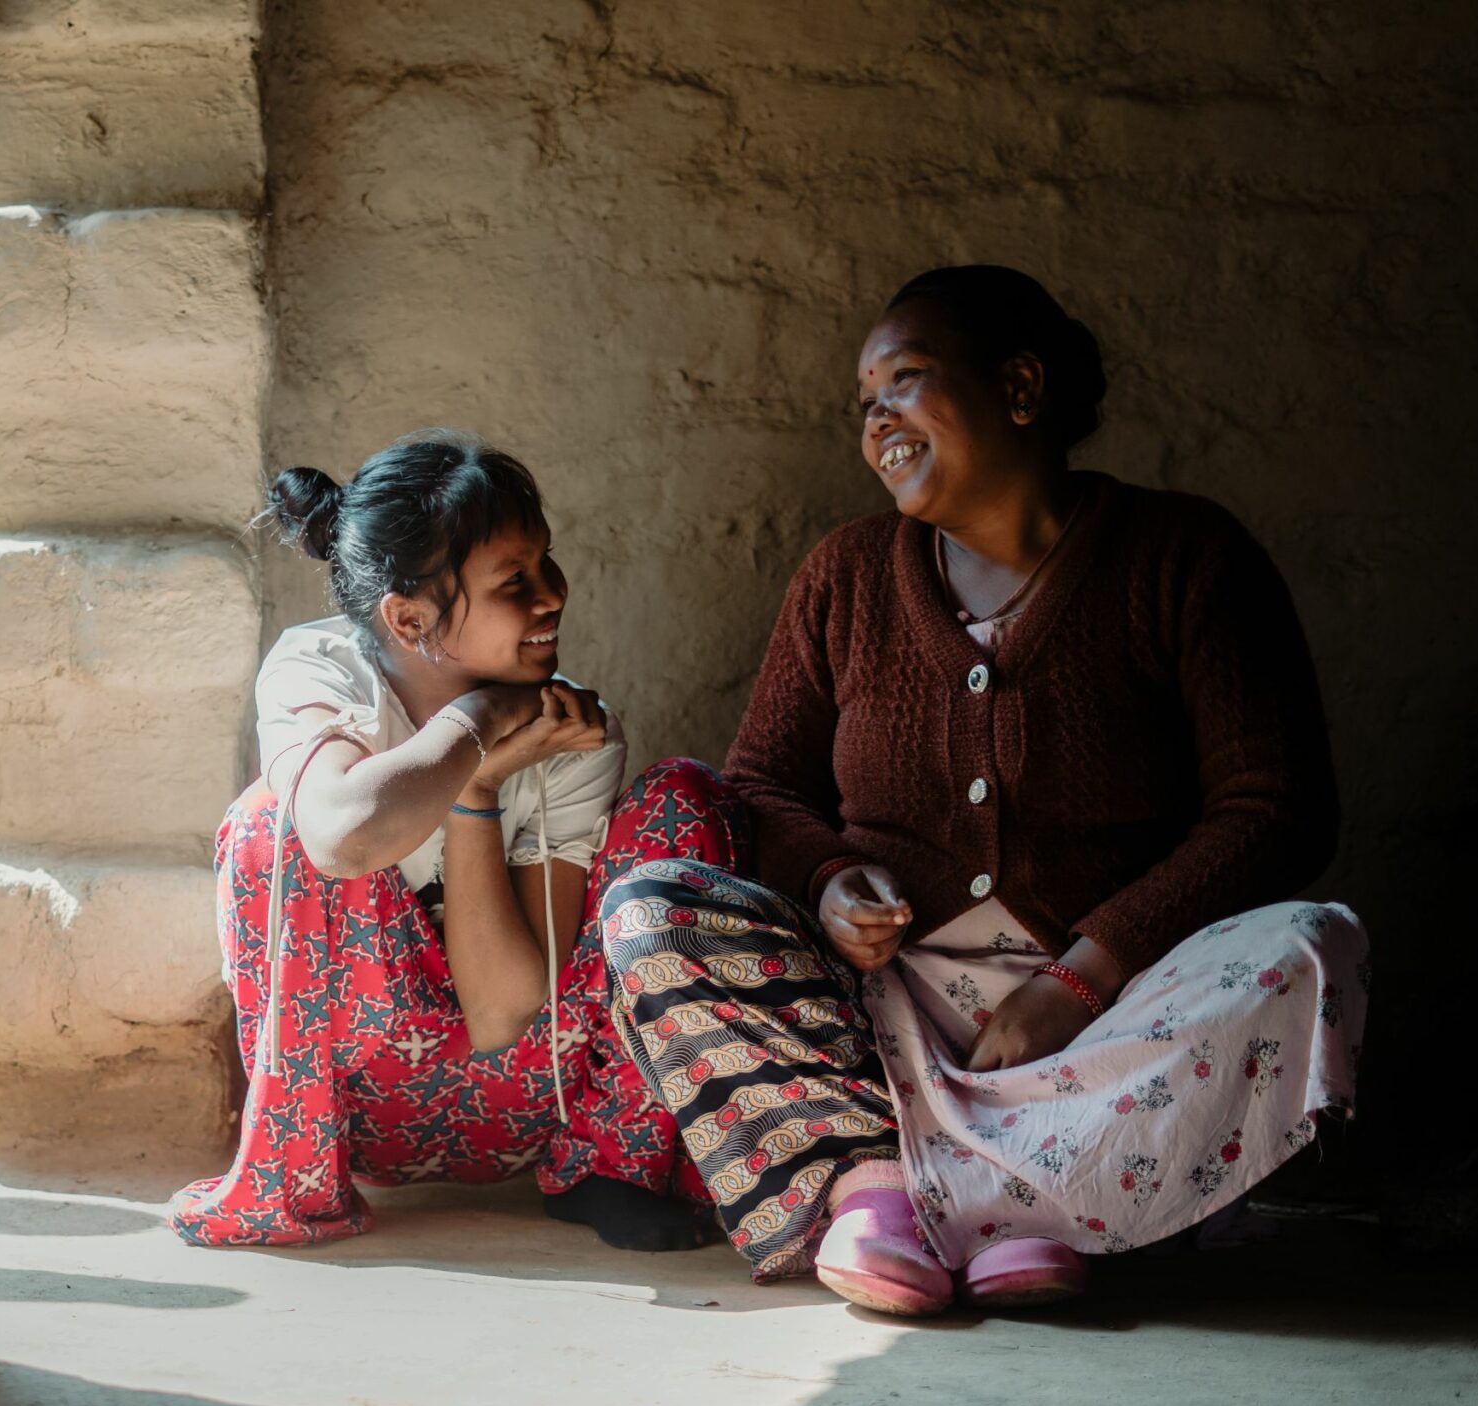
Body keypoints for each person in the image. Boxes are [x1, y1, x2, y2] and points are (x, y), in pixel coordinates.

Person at [601, 266, 1369, 1311]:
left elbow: (1274, 809)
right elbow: (760, 789)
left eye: (905, 382)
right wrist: (828, 880)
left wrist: (1083, 977)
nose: (876, 421)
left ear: (1017, 388)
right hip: (887, 1016)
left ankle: (1032, 1205)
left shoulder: (1184, 558)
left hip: (1113, 1017)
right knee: (652, 911)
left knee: (1307, 944)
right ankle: (876, 1182)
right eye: (864, 402)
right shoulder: (845, 576)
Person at [170, 431, 752, 1252]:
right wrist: (474, 728)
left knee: (683, 802)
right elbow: (341, 834)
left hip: (532, 1100)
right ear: (408, 618)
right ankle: (296, 1182)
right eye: (515, 581)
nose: (553, 594)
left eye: (546, 564)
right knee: (273, 824)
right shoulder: (322, 671)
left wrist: (475, 798)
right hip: (362, 1111)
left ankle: (611, 1167)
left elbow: (505, 1011)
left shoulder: (569, 730)